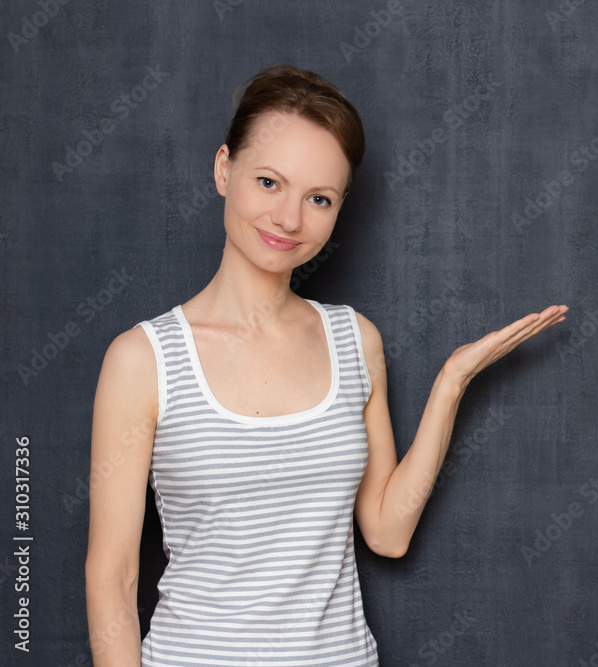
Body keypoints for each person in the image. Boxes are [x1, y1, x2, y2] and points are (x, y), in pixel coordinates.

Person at [84, 64, 568, 666]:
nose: (290, 219)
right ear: (223, 168)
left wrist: (451, 384)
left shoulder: (354, 340)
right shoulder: (141, 360)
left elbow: (387, 534)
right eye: (268, 182)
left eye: (319, 198)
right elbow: (113, 578)